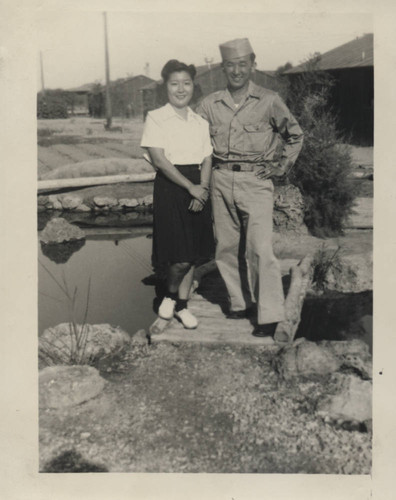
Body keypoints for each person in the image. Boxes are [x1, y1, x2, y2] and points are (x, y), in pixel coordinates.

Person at [197, 38, 304, 338]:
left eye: (242, 64)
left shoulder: (269, 100)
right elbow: (191, 137)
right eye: (230, 65)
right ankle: (239, 302)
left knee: (260, 248)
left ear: (253, 64)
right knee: (226, 247)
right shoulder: (209, 104)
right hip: (220, 181)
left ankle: (269, 314)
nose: (237, 71)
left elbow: (295, 135)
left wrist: (280, 167)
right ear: (222, 68)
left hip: (256, 183)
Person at [141, 59, 214, 329]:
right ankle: (170, 296)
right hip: (171, 187)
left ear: (193, 86)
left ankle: (182, 307)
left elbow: (207, 157)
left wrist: (202, 190)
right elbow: (159, 160)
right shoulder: (156, 117)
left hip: (199, 184)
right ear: (166, 87)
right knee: (179, 256)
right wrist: (190, 188)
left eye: (186, 83)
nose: (181, 89)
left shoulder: (199, 121)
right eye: (175, 84)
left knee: (193, 253)